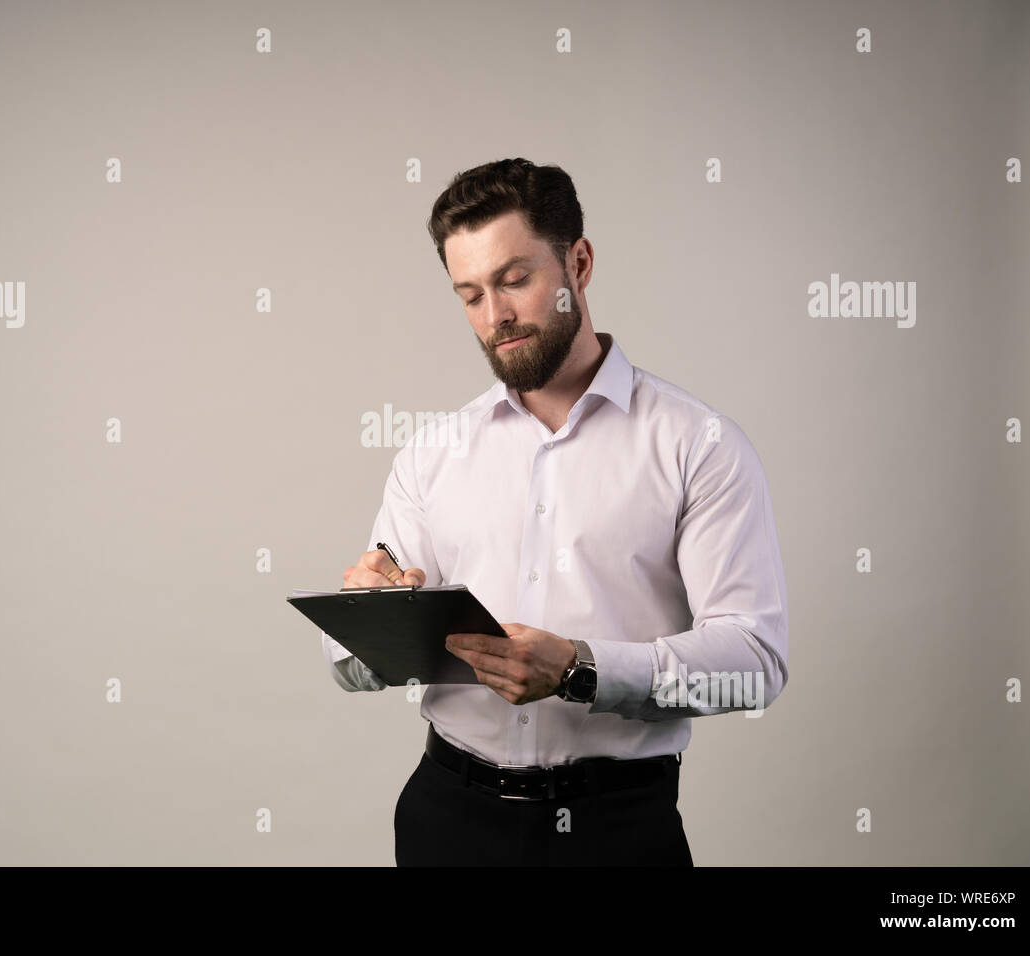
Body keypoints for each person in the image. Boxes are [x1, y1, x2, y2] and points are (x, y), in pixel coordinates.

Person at [323, 158, 789, 866]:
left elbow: (754, 662)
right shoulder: (432, 453)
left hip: (618, 832)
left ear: (580, 262)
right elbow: (350, 666)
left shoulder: (699, 445)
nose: (495, 316)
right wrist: (367, 619)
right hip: (447, 820)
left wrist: (582, 669)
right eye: (470, 294)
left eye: (515, 280)